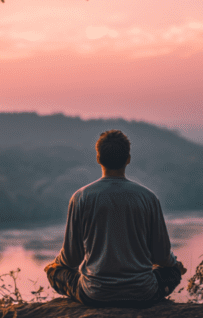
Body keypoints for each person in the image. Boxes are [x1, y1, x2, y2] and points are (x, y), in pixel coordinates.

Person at [44, 129, 186, 308]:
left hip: (94, 294)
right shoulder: (148, 197)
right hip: (143, 294)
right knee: (173, 271)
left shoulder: (81, 197)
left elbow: (71, 258)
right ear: (128, 159)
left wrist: (55, 264)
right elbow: (162, 256)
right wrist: (175, 264)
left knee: (54, 271)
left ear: (98, 159)